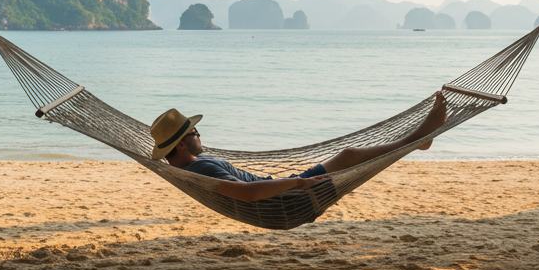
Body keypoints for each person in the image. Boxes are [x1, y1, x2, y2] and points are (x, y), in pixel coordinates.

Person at [149, 92, 448, 202]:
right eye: (192, 132)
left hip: (284, 192)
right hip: (287, 200)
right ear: (179, 146)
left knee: (349, 156)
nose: (198, 133)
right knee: (350, 155)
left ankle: (418, 141)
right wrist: (297, 182)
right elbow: (246, 193)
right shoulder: (199, 168)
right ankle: (419, 140)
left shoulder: (188, 165)